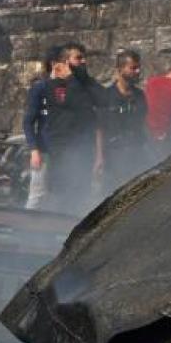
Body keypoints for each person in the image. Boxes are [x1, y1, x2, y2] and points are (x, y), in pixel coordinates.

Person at [23, 43, 104, 216]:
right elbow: (29, 121)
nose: (83, 61)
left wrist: (98, 154)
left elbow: (93, 117)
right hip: (47, 150)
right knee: (38, 196)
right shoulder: (43, 88)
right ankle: (25, 233)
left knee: (75, 196)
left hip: (73, 151)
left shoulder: (81, 85)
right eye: (78, 58)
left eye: (84, 57)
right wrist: (34, 149)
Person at [99, 48, 150, 193]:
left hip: (137, 152)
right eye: (133, 68)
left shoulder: (140, 95)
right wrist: (99, 157)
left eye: (138, 67)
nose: (137, 71)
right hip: (114, 154)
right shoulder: (106, 96)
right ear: (120, 69)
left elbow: (143, 123)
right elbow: (99, 128)